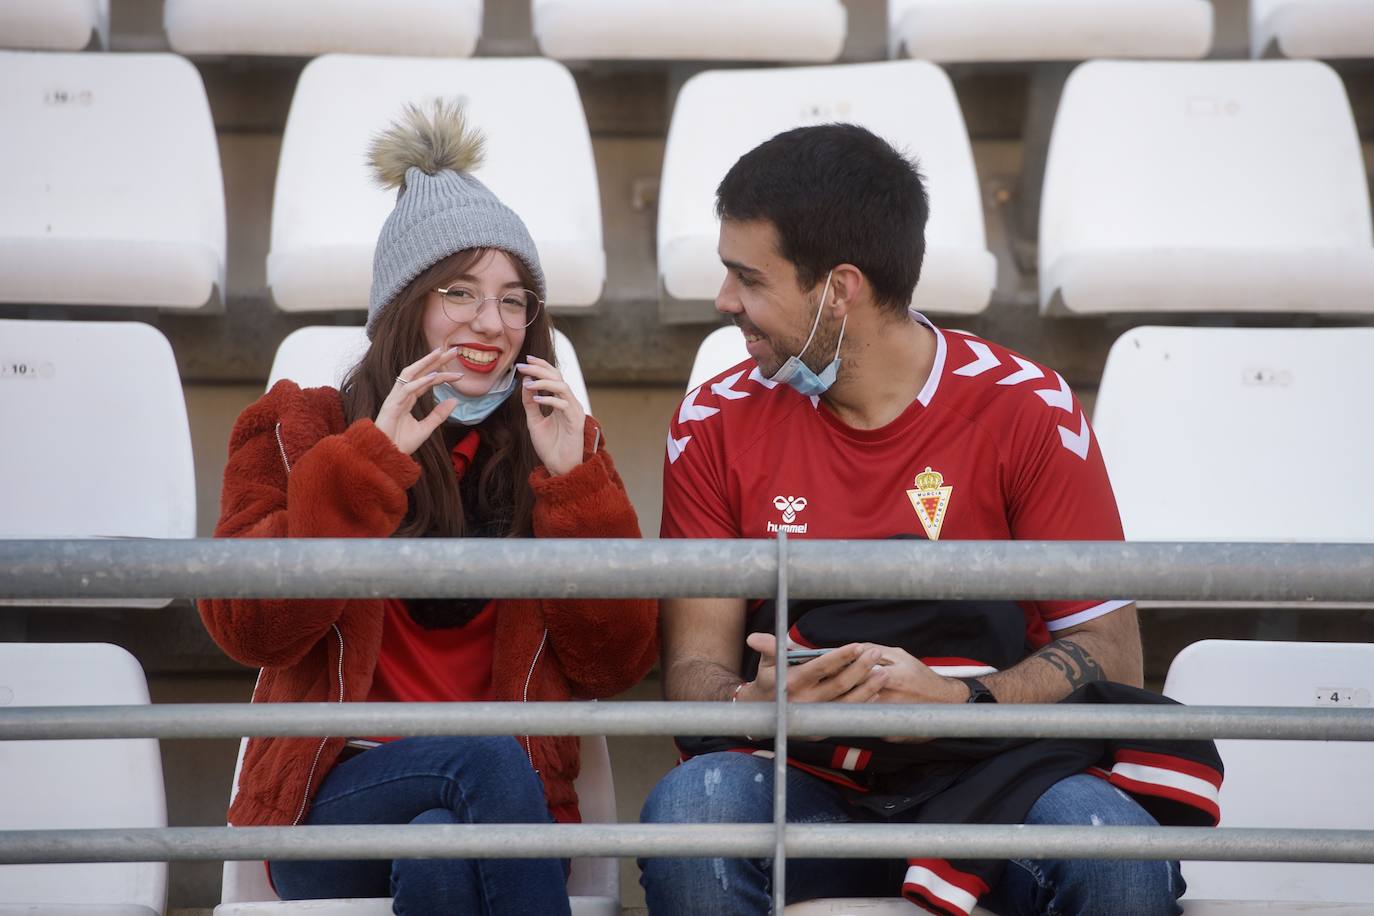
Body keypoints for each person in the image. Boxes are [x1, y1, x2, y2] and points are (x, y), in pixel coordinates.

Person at [640, 124, 1217, 916]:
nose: (724, 301)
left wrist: (958, 707)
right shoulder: (711, 420)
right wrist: (753, 703)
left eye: (749, 277)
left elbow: (1109, 654)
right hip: (799, 771)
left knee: (1113, 854)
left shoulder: (1027, 408)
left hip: (999, 766)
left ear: (838, 289)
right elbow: (691, 673)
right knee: (692, 814)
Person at [198, 101, 657, 916]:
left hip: (496, 812)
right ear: (405, 309)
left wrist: (573, 489)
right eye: (461, 293)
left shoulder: (557, 446)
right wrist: (370, 463)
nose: (493, 323)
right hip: (332, 807)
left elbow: (614, 663)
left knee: (441, 863)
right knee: (479, 763)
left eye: (516, 301)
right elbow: (247, 626)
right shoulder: (296, 429)